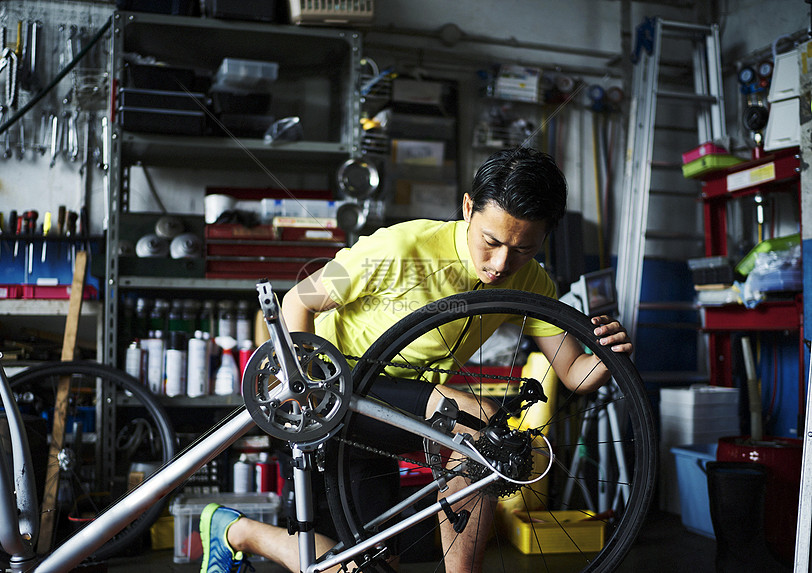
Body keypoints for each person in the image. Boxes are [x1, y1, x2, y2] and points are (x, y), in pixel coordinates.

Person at [199, 146, 632, 573]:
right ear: (467, 209)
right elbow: (297, 300)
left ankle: (231, 531)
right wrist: (308, 388)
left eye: (523, 249)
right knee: (476, 421)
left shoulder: (533, 282)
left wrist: (610, 356)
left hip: (396, 412)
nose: (502, 263)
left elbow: (574, 373)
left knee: (375, 567)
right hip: (337, 391)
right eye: (491, 241)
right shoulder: (400, 248)